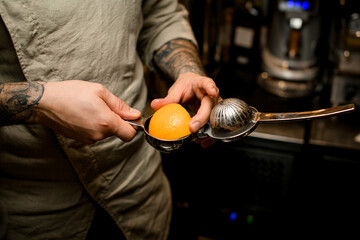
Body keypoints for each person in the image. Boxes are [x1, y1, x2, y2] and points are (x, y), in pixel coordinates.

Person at [0, 1, 220, 240]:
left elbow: (161, 15)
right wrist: (39, 102)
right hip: (34, 211)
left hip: (140, 187)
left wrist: (188, 70)